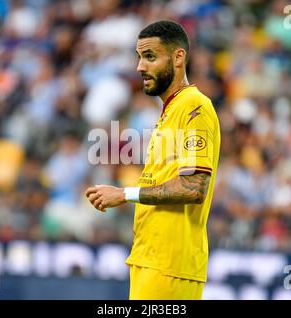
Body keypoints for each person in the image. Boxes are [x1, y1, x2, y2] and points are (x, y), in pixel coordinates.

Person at [85, 20, 221, 300]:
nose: (140, 67)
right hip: (151, 259)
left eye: (150, 57)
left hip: (170, 265)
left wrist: (124, 194)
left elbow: (193, 187)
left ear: (178, 57)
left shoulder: (194, 107)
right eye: (139, 57)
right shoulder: (169, 112)